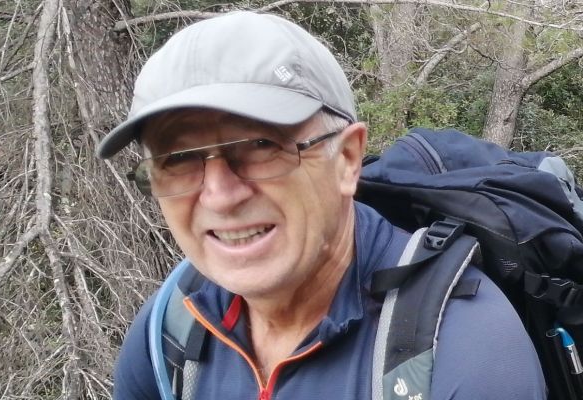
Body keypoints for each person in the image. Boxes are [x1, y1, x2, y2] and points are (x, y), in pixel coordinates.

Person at [103, 11, 546, 399]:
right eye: (177, 160)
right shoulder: (173, 329)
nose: (219, 195)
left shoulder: (465, 352)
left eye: (261, 146)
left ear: (347, 159)